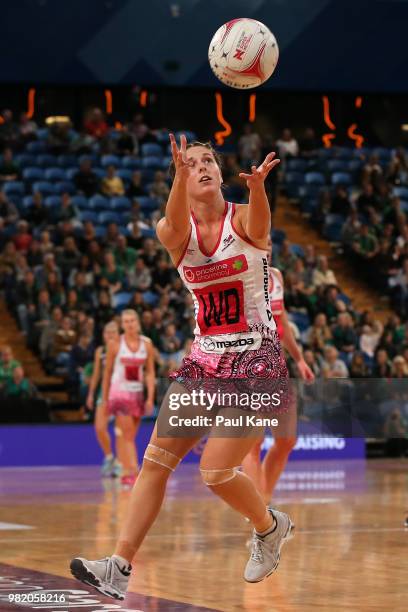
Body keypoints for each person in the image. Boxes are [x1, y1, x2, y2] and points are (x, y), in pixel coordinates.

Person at [70, 135, 293, 599]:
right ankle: (118, 566)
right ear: (181, 178)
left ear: (220, 169)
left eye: (208, 160)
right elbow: (172, 223)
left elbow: (261, 222)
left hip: (257, 363)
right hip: (204, 362)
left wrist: (257, 188)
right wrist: (176, 174)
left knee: (215, 472)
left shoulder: (245, 218)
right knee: (155, 462)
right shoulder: (173, 233)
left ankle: (269, 528)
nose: (203, 167)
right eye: (192, 164)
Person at [242, 241, 314, 501]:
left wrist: (300, 359)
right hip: (247, 365)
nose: (268, 246)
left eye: (270, 242)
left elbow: (282, 320)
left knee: (287, 439)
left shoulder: (276, 276)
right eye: (262, 242)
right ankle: (260, 513)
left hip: (277, 366)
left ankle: (265, 500)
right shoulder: (238, 277)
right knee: (252, 444)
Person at [101, 310, 155, 486]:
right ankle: (133, 471)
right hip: (118, 393)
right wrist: (105, 398)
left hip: (137, 393)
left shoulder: (146, 344)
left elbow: (150, 373)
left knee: (129, 435)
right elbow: (107, 372)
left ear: (137, 322)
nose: (129, 324)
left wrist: (150, 398)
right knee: (128, 435)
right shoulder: (115, 344)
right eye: (126, 321)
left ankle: (125, 470)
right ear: (122, 325)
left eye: (132, 320)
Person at [86, 321, 122, 478]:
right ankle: (109, 458)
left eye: (113, 332)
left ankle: (122, 463)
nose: (110, 335)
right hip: (105, 392)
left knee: (121, 430)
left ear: (118, 334)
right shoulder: (100, 351)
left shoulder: (124, 348)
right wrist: (91, 393)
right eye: (107, 332)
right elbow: (96, 374)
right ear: (103, 335)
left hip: (122, 391)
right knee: (100, 427)